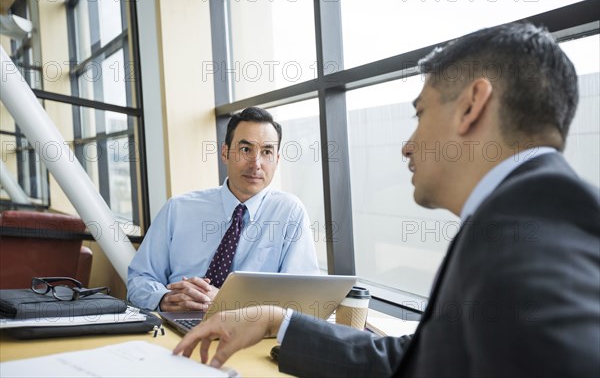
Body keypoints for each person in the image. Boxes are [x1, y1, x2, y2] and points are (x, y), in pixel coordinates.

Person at [173, 23, 600, 377]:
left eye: (419, 114)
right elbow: (417, 360)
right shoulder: (528, 217)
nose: (407, 147)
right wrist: (274, 319)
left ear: (472, 106)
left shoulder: (530, 237)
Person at [127, 107, 320, 311]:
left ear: (277, 160)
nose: (256, 164)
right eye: (246, 150)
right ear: (225, 153)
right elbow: (139, 278)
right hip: (176, 325)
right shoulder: (178, 209)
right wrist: (165, 299)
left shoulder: (289, 212)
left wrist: (226, 301)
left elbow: (302, 299)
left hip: (249, 332)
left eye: (266, 152)